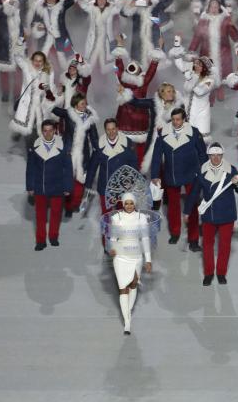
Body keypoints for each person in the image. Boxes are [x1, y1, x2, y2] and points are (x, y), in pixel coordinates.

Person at [184, 143, 238, 285]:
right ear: (209, 155)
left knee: (225, 245)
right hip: (209, 215)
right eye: (213, 155)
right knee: (207, 245)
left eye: (218, 155)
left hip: (227, 215)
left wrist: (237, 183)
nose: (216, 158)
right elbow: (194, 193)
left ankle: (221, 273)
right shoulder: (201, 171)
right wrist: (187, 211)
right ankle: (208, 273)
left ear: (222, 155)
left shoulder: (231, 170)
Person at [147, 107, 207, 249]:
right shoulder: (163, 134)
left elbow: (202, 154)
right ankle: (175, 232)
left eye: (178, 119)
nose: (175, 122)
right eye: (173, 119)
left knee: (192, 206)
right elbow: (156, 156)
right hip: (171, 174)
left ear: (184, 119)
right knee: (173, 206)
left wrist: (204, 172)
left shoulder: (194, 132)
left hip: (191, 174)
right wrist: (155, 175)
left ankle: (193, 239)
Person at [107, 193, 153, 335]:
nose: (128, 206)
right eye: (126, 203)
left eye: (131, 203)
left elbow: (145, 238)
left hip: (136, 255)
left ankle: (128, 312)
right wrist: (112, 249)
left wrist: (148, 259)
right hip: (121, 256)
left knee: (133, 283)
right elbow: (112, 238)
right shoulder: (116, 218)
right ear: (122, 203)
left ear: (135, 203)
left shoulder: (142, 218)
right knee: (123, 287)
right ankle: (127, 322)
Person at [25, 119, 73, 250]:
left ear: (55, 131)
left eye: (50, 131)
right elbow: (30, 168)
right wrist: (30, 186)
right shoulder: (35, 146)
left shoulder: (62, 146)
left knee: (56, 213)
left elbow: (68, 168)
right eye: (45, 131)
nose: (48, 134)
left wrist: (68, 186)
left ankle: (53, 237)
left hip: (57, 185)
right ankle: (40, 241)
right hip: (40, 186)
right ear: (42, 131)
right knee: (40, 215)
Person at [50, 92, 99, 217]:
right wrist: (51, 96)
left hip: (83, 153)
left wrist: (98, 150)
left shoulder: (90, 119)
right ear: (76, 105)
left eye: (85, 103)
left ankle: (75, 204)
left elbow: (94, 137)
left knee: (80, 180)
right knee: (67, 180)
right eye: (82, 103)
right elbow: (55, 110)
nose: (85, 105)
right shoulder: (69, 114)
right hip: (68, 152)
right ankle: (67, 207)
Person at [86, 118, 139, 219]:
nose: (111, 132)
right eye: (108, 129)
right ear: (105, 130)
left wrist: (133, 181)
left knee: (123, 213)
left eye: (113, 129)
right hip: (105, 186)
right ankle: (107, 234)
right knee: (106, 215)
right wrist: (88, 183)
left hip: (123, 186)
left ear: (117, 129)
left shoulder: (128, 143)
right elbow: (93, 165)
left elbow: (133, 164)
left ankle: (122, 234)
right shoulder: (99, 145)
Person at [10, 45, 55, 138]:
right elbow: (16, 56)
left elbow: (51, 87)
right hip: (27, 102)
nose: (37, 63)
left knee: (41, 126)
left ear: (44, 61)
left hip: (41, 103)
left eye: (40, 61)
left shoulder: (48, 71)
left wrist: (51, 96)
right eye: (35, 60)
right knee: (26, 126)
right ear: (32, 60)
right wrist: (20, 43)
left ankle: (39, 143)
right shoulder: (26, 67)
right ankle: (25, 138)